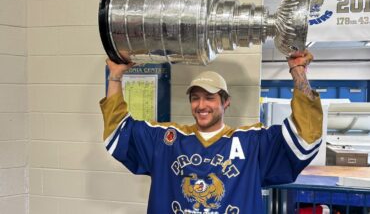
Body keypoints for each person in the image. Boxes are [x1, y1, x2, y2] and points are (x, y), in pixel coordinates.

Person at [100, 50, 323, 214]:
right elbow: (119, 130)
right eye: (195, 98)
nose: (201, 105)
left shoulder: (251, 143)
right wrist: (115, 76)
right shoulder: (167, 140)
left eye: (209, 97)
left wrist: (298, 72)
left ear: (226, 103)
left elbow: (305, 137)